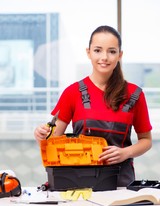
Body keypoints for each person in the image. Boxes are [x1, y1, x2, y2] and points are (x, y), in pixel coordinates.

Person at [34, 25, 152, 187]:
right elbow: (52, 141)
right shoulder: (72, 92)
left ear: (120, 55)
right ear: (88, 52)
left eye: (111, 51)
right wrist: (41, 136)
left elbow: (146, 140)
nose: (104, 57)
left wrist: (124, 153)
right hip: (78, 183)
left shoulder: (135, 94)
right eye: (98, 50)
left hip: (120, 184)